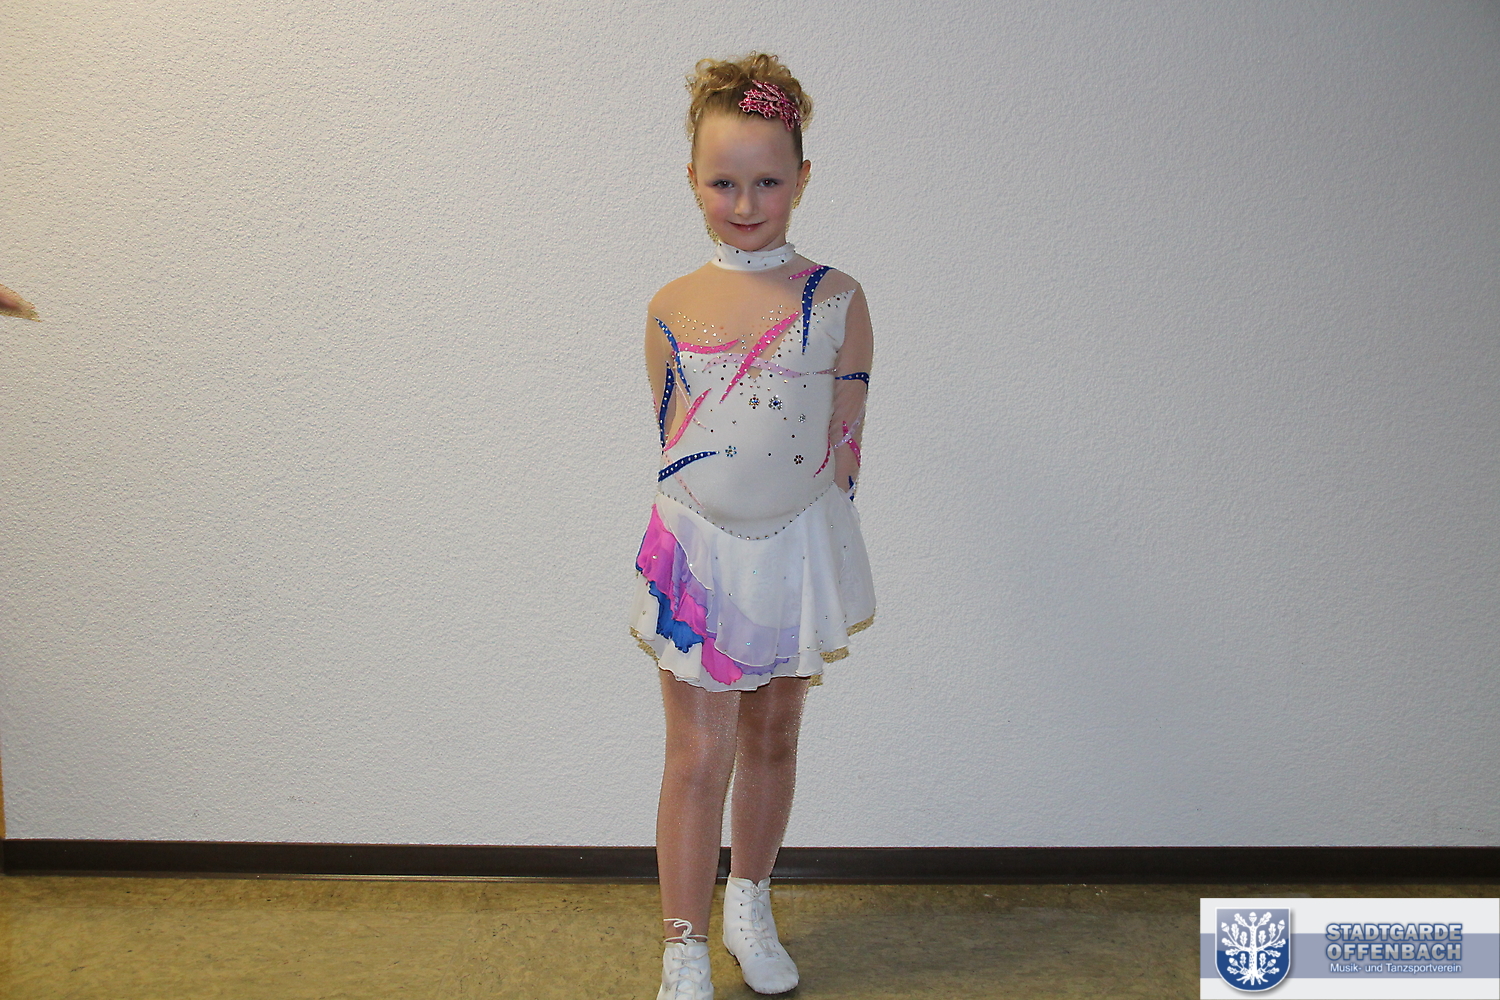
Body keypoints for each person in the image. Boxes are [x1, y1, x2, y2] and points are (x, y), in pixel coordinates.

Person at [630, 53, 875, 1000]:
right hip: (699, 552)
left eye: (767, 181)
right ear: (692, 179)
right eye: (723, 182)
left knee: (774, 738)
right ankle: (683, 943)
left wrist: (807, 532)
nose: (745, 202)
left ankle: (750, 902)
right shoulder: (670, 306)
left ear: (802, 178)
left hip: (798, 543)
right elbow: (675, 439)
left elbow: (844, 442)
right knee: (699, 755)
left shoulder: (838, 298)